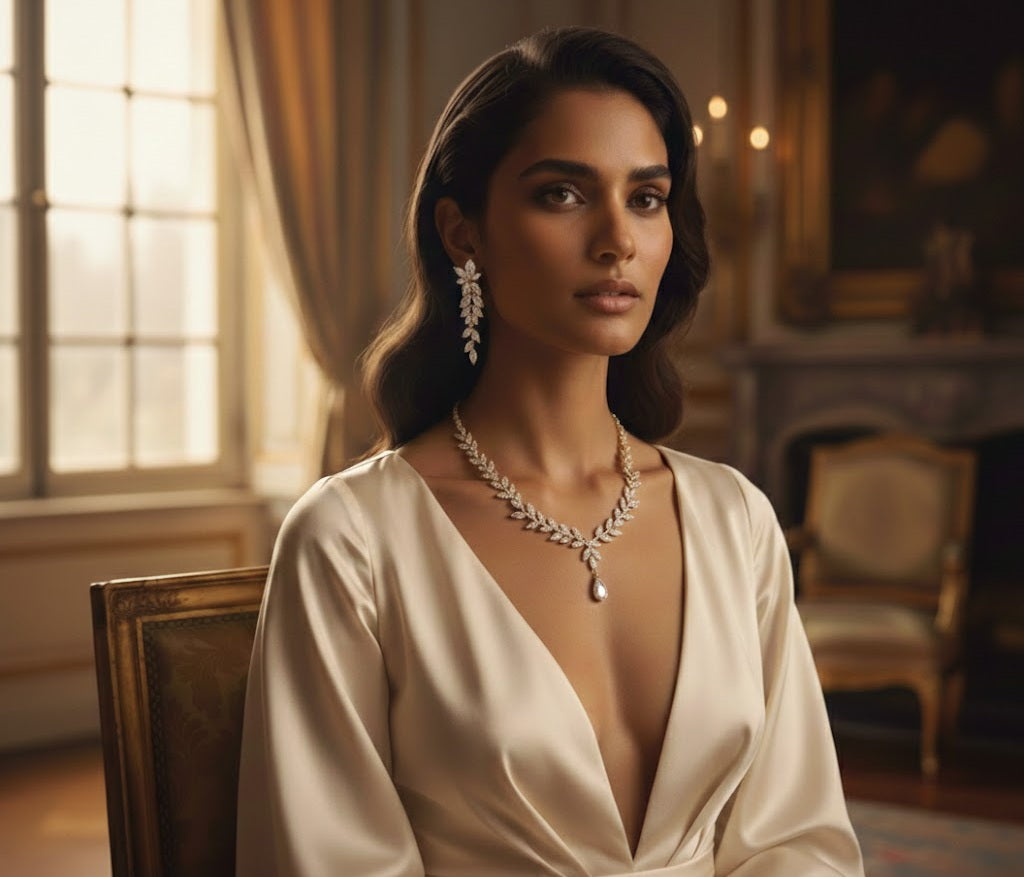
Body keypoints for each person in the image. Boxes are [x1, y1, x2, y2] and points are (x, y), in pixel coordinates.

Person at [235, 26, 865, 877]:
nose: (618, 239)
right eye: (564, 194)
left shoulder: (733, 520)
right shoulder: (351, 541)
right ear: (463, 232)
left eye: (646, 198)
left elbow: (800, 841)